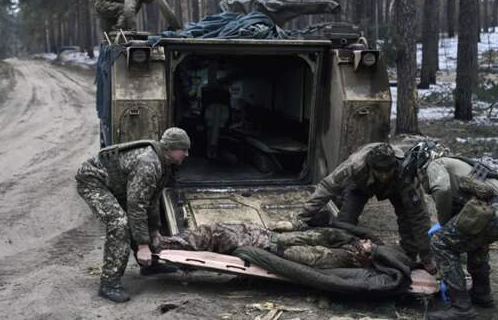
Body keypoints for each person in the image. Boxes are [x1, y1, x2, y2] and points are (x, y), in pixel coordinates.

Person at [403, 142, 498, 320]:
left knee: (440, 242)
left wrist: (444, 222)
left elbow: (442, 189)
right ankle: (482, 294)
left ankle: (461, 308)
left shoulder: (436, 164)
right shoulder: (459, 164)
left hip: (494, 209)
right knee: (474, 238)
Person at [75, 127, 190, 303]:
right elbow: (136, 206)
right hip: (93, 181)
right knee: (119, 223)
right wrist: (143, 245)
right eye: (183, 150)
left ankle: (149, 265)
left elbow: (152, 201)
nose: (187, 154)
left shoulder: (164, 164)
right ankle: (109, 284)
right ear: (170, 149)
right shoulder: (148, 164)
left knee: (140, 222)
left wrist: (154, 231)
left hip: (117, 185)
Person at [297, 143, 435, 273]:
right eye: (380, 172)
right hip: (361, 185)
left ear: (394, 166)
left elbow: (419, 216)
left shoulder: (406, 172)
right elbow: (327, 187)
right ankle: (341, 254)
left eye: (388, 171)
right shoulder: (355, 165)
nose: (384, 176)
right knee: (346, 220)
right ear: (371, 167)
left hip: (396, 186)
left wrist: (427, 256)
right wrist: (303, 217)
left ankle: (407, 257)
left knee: (408, 220)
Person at [156, 222, 377, 269]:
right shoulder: (346, 247)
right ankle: (169, 245)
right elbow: (319, 236)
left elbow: (303, 257)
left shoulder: (343, 258)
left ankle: (164, 248)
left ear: (365, 256)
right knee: (214, 230)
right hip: (267, 236)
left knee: (215, 232)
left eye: (369, 245)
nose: (367, 242)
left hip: (266, 244)